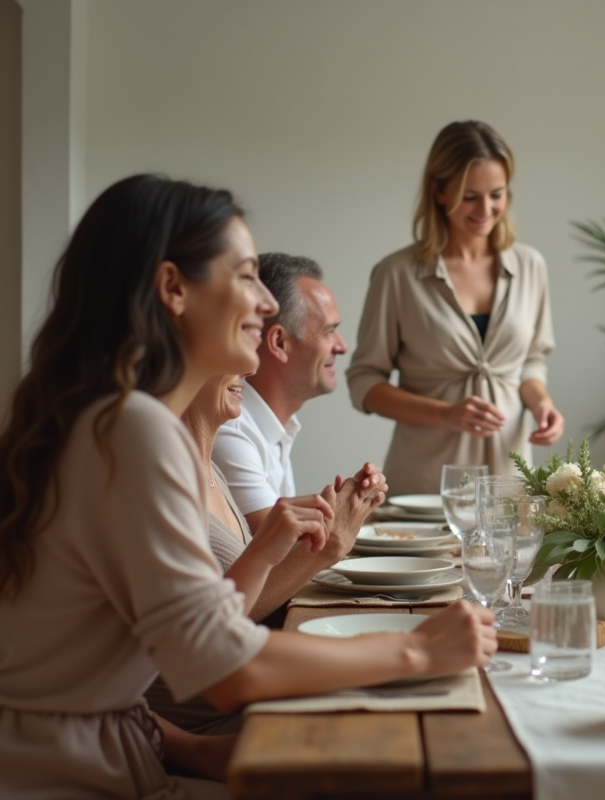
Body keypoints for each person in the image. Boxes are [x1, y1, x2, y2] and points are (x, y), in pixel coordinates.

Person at [0, 174, 496, 799]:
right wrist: (417, 654)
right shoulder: (131, 430)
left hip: (110, 756)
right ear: (173, 290)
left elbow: (97, 674)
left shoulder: (110, 421)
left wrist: (199, 751)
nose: (266, 305)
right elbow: (225, 667)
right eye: (245, 276)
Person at [145, 372, 385, 735]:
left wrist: (334, 525)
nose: (252, 367)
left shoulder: (210, 471)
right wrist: (407, 652)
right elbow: (210, 645)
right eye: (241, 333)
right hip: (220, 725)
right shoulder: (155, 481)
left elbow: (232, 607)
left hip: (252, 704)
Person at [347, 120, 563, 494]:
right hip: (426, 486)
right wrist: (445, 414)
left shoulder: (531, 266)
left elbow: (530, 362)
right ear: (439, 191)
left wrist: (542, 403)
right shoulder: (396, 275)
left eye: (497, 194)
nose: (486, 209)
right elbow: (364, 382)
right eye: (469, 195)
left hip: (510, 484)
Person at [212, 253, 351, 532]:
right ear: (279, 342)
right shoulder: (232, 428)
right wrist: (344, 521)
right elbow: (282, 558)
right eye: (329, 331)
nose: (342, 346)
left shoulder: (276, 427)